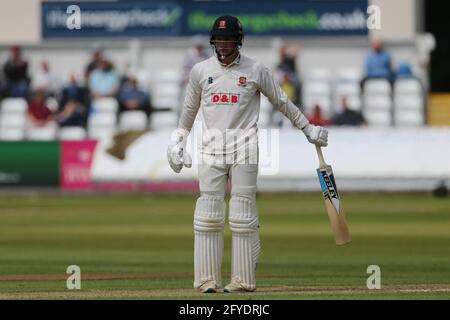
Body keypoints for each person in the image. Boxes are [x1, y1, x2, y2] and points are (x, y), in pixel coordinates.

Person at [166, 15, 328, 293]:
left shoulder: (256, 70)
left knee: (242, 215)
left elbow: (282, 101)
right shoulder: (200, 71)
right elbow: (189, 109)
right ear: (212, 40)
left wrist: (307, 128)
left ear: (238, 40)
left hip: (244, 147)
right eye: (219, 38)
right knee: (207, 214)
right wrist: (178, 140)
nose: (224, 43)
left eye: (229, 39)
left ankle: (242, 280)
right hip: (211, 147)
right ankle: (206, 281)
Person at [178, 35, 210, 119]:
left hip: (202, 83)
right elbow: (185, 68)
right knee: (186, 104)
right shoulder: (188, 54)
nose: (199, 48)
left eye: (201, 47)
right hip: (189, 82)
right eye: (198, 46)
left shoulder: (206, 54)